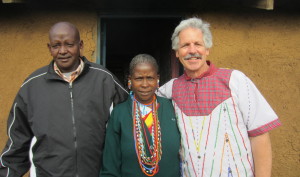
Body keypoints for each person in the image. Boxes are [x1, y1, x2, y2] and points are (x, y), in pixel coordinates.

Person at [0, 22, 128, 177]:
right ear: (49, 48)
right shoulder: (31, 87)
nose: (63, 51)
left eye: (69, 44)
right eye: (56, 45)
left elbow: (130, 126)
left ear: (80, 45)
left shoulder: (104, 80)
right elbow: (17, 143)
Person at [157, 17, 281, 177]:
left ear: (207, 49)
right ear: (177, 53)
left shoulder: (235, 80)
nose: (192, 50)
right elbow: (143, 101)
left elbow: (259, 135)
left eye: (198, 44)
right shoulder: (171, 88)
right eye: (185, 45)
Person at [100, 54, 181, 177]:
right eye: (139, 78)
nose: (145, 84)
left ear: (157, 79)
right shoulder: (119, 113)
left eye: (150, 78)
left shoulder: (171, 108)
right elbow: (110, 165)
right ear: (130, 80)